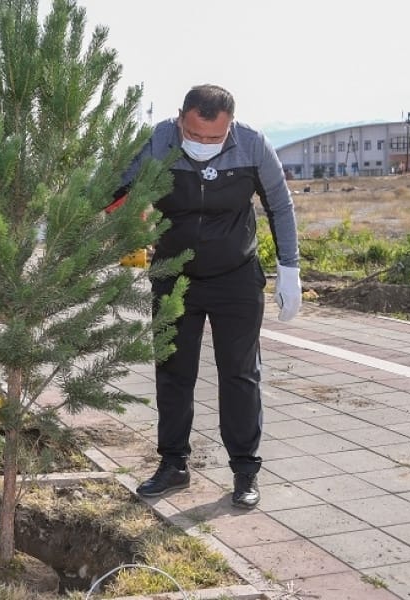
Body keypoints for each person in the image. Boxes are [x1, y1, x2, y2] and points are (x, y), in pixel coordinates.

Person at [118, 84, 301, 508]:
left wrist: (289, 269)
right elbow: (114, 192)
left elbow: (280, 204)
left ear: (230, 125)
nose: (203, 145)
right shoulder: (158, 141)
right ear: (181, 118)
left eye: (214, 138)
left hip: (235, 278)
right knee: (173, 372)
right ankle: (173, 465)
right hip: (173, 275)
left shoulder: (253, 145)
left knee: (239, 374)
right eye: (195, 135)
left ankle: (245, 471)